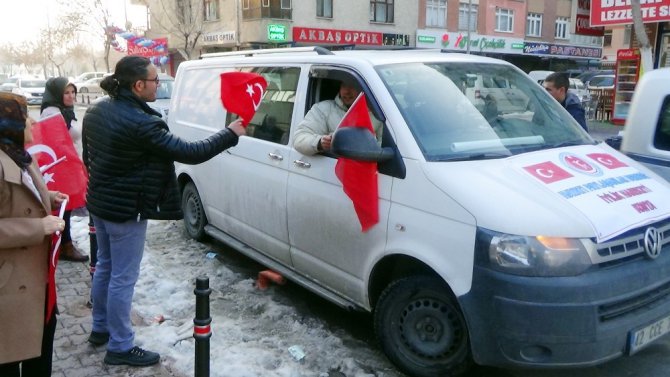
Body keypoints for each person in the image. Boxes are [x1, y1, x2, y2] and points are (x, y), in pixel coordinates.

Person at [81, 55, 246, 367]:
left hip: (100, 204)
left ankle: (100, 329)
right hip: (126, 210)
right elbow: (190, 152)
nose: (160, 84)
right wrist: (231, 133)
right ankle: (120, 345)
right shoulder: (141, 122)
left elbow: (87, 156)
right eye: (155, 80)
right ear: (138, 84)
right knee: (122, 277)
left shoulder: (97, 109)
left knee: (104, 267)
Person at [0, 92, 69, 376]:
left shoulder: (19, 155)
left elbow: (19, 199)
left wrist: (46, 197)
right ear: (9, 123)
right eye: (24, 115)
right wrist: (37, 227)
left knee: (39, 358)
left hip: (36, 283)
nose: (31, 121)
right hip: (9, 289)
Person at [40, 76, 89, 262]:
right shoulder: (52, 112)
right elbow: (56, 142)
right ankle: (64, 246)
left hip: (69, 163)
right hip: (61, 166)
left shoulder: (65, 111)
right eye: (65, 93)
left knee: (66, 207)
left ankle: (63, 243)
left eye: (72, 92)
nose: (71, 96)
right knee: (63, 207)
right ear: (56, 94)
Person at [293, 79, 383, 155]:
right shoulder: (323, 108)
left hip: (365, 170)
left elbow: (385, 147)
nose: (347, 91)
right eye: (344, 86)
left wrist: (369, 145)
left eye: (352, 86)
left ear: (363, 89)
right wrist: (320, 142)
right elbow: (299, 139)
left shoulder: (378, 113)